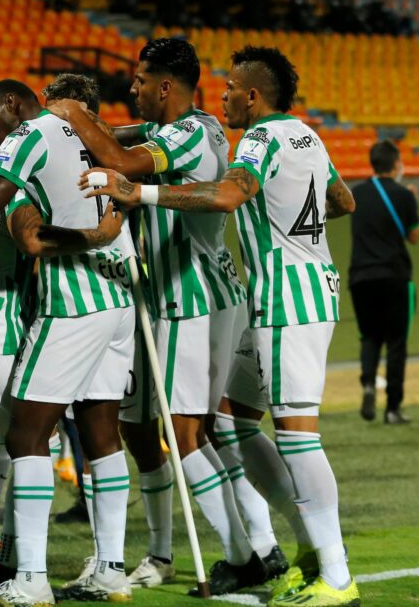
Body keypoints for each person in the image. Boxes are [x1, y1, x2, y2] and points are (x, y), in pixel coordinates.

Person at [80, 46, 360, 607]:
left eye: (231, 87)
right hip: (295, 292)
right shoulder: (307, 134)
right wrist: (292, 224)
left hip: (287, 300)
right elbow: (341, 199)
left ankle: (335, 574)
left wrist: (139, 192)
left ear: (253, 96)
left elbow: (228, 196)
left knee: (298, 437)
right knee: (231, 421)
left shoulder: (259, 139)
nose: (223, 95)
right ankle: (302, 552)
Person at [49, 38, 283, 595]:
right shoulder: (198, 128)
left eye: (140, 80)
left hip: (188, 299)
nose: (131, 88)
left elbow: (125, 161)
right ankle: (264, 544)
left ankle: (240, 557)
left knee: (184, 435)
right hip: (215, 293)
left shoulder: (185, 134)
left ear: (165, 86)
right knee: (213, 429)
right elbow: (125, 138)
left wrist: (73, 114)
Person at [0, 78, 135, 605]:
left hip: (69, 304)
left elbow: (21, 234)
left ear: (15, 106)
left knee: (25, 438)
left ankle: (28, 577)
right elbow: (131, 154)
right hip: (119, 297)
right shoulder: (91, 139)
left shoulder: (23, 148)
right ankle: (110, 568)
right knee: (101, 433)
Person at [349, 140, 419, 424]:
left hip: (360, 277)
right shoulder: (404, 195)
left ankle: (368, 384)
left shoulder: (357, 193)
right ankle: (392, 409)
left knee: (369, 337)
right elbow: (414, 236)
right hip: (394, 275)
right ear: (396, 163)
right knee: (396, 343)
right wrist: (412, 202)